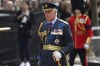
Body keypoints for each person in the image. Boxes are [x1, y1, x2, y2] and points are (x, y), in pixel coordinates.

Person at [38, 2, 73, 66]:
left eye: (49, 12)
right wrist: (40, 59)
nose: (46, 14)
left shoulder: (64, 25)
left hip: (57, 60)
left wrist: (61, 53)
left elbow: (70, 45)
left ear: (55, 12)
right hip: (44, 61)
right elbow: (41, 45)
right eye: (45, 12)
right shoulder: (43, 25)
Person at [69, 0, 93, 66]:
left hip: (82, 44)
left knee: (84, 62)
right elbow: (69, 32)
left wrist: (87, 43)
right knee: (70, 60)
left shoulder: (86, 18)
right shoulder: (71, 19)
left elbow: (89, 32)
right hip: (73, 44)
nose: (76, 10)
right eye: (75, 8)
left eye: (78, 8)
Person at [15, 1, 35, 66]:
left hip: (27, 32)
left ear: (28, 6)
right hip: (20, 32)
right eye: (22, 5)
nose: (23, 6)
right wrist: (20, 16)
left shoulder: (31, 13)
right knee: (20, 47)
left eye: (25, 5)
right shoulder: (19, 12)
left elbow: (33, 22)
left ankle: (28, 61)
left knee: (25, 47)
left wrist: (27, 17)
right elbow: (15, 20)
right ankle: (22, 61)